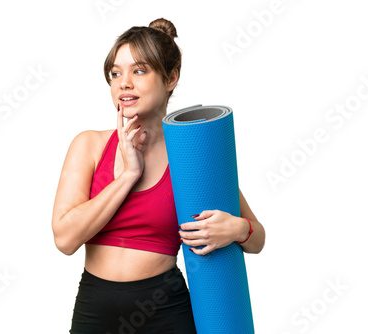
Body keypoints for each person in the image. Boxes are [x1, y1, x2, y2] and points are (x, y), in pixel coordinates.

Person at [52, 17, 266, 334]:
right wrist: (128, 175)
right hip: (95, 311)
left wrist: (236, 228)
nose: (124, 82)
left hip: (165, 312)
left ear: (171, 78)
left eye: (139, 70)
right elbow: (65, 239)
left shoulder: (191, 158)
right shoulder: (90, 146)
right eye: (115, 73)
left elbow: (257, 239)